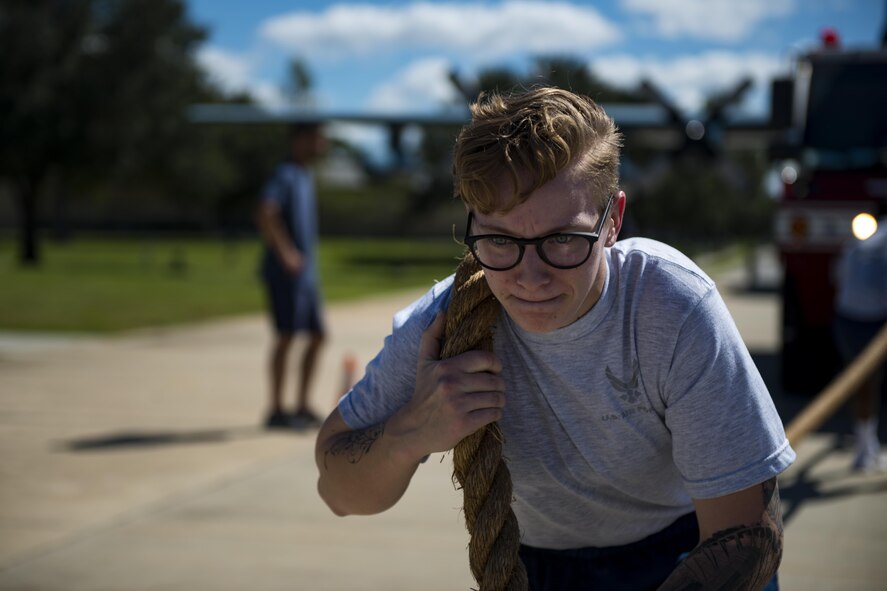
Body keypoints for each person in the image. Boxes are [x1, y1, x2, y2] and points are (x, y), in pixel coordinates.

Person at [315, 87, 796, 590]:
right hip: (535, 567)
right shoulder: (444, 325)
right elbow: (336, 491)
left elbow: (746, 537)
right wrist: (411, 432)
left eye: (563, 239)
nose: (529, 278)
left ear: (613, 220)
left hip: (688, 553)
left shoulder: (671, 307)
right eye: (499, 240)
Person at [256, 122, 327, 429]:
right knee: (286, 336)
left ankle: (300, 405)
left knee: (317, 335)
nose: (322, 144)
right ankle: (275, 409)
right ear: (301, 140)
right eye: (317, 138)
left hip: (306, 276)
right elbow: (266, 211)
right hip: (287, 274)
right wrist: (286, 253)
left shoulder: (304, 175)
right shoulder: (284, 174)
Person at [833, 212, 887, 471]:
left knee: (862, 385)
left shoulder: (857, 238)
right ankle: (866, 449)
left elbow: (837, 276)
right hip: (868, 321)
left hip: (848, 317)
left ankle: (867, 446)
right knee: (868, 384)